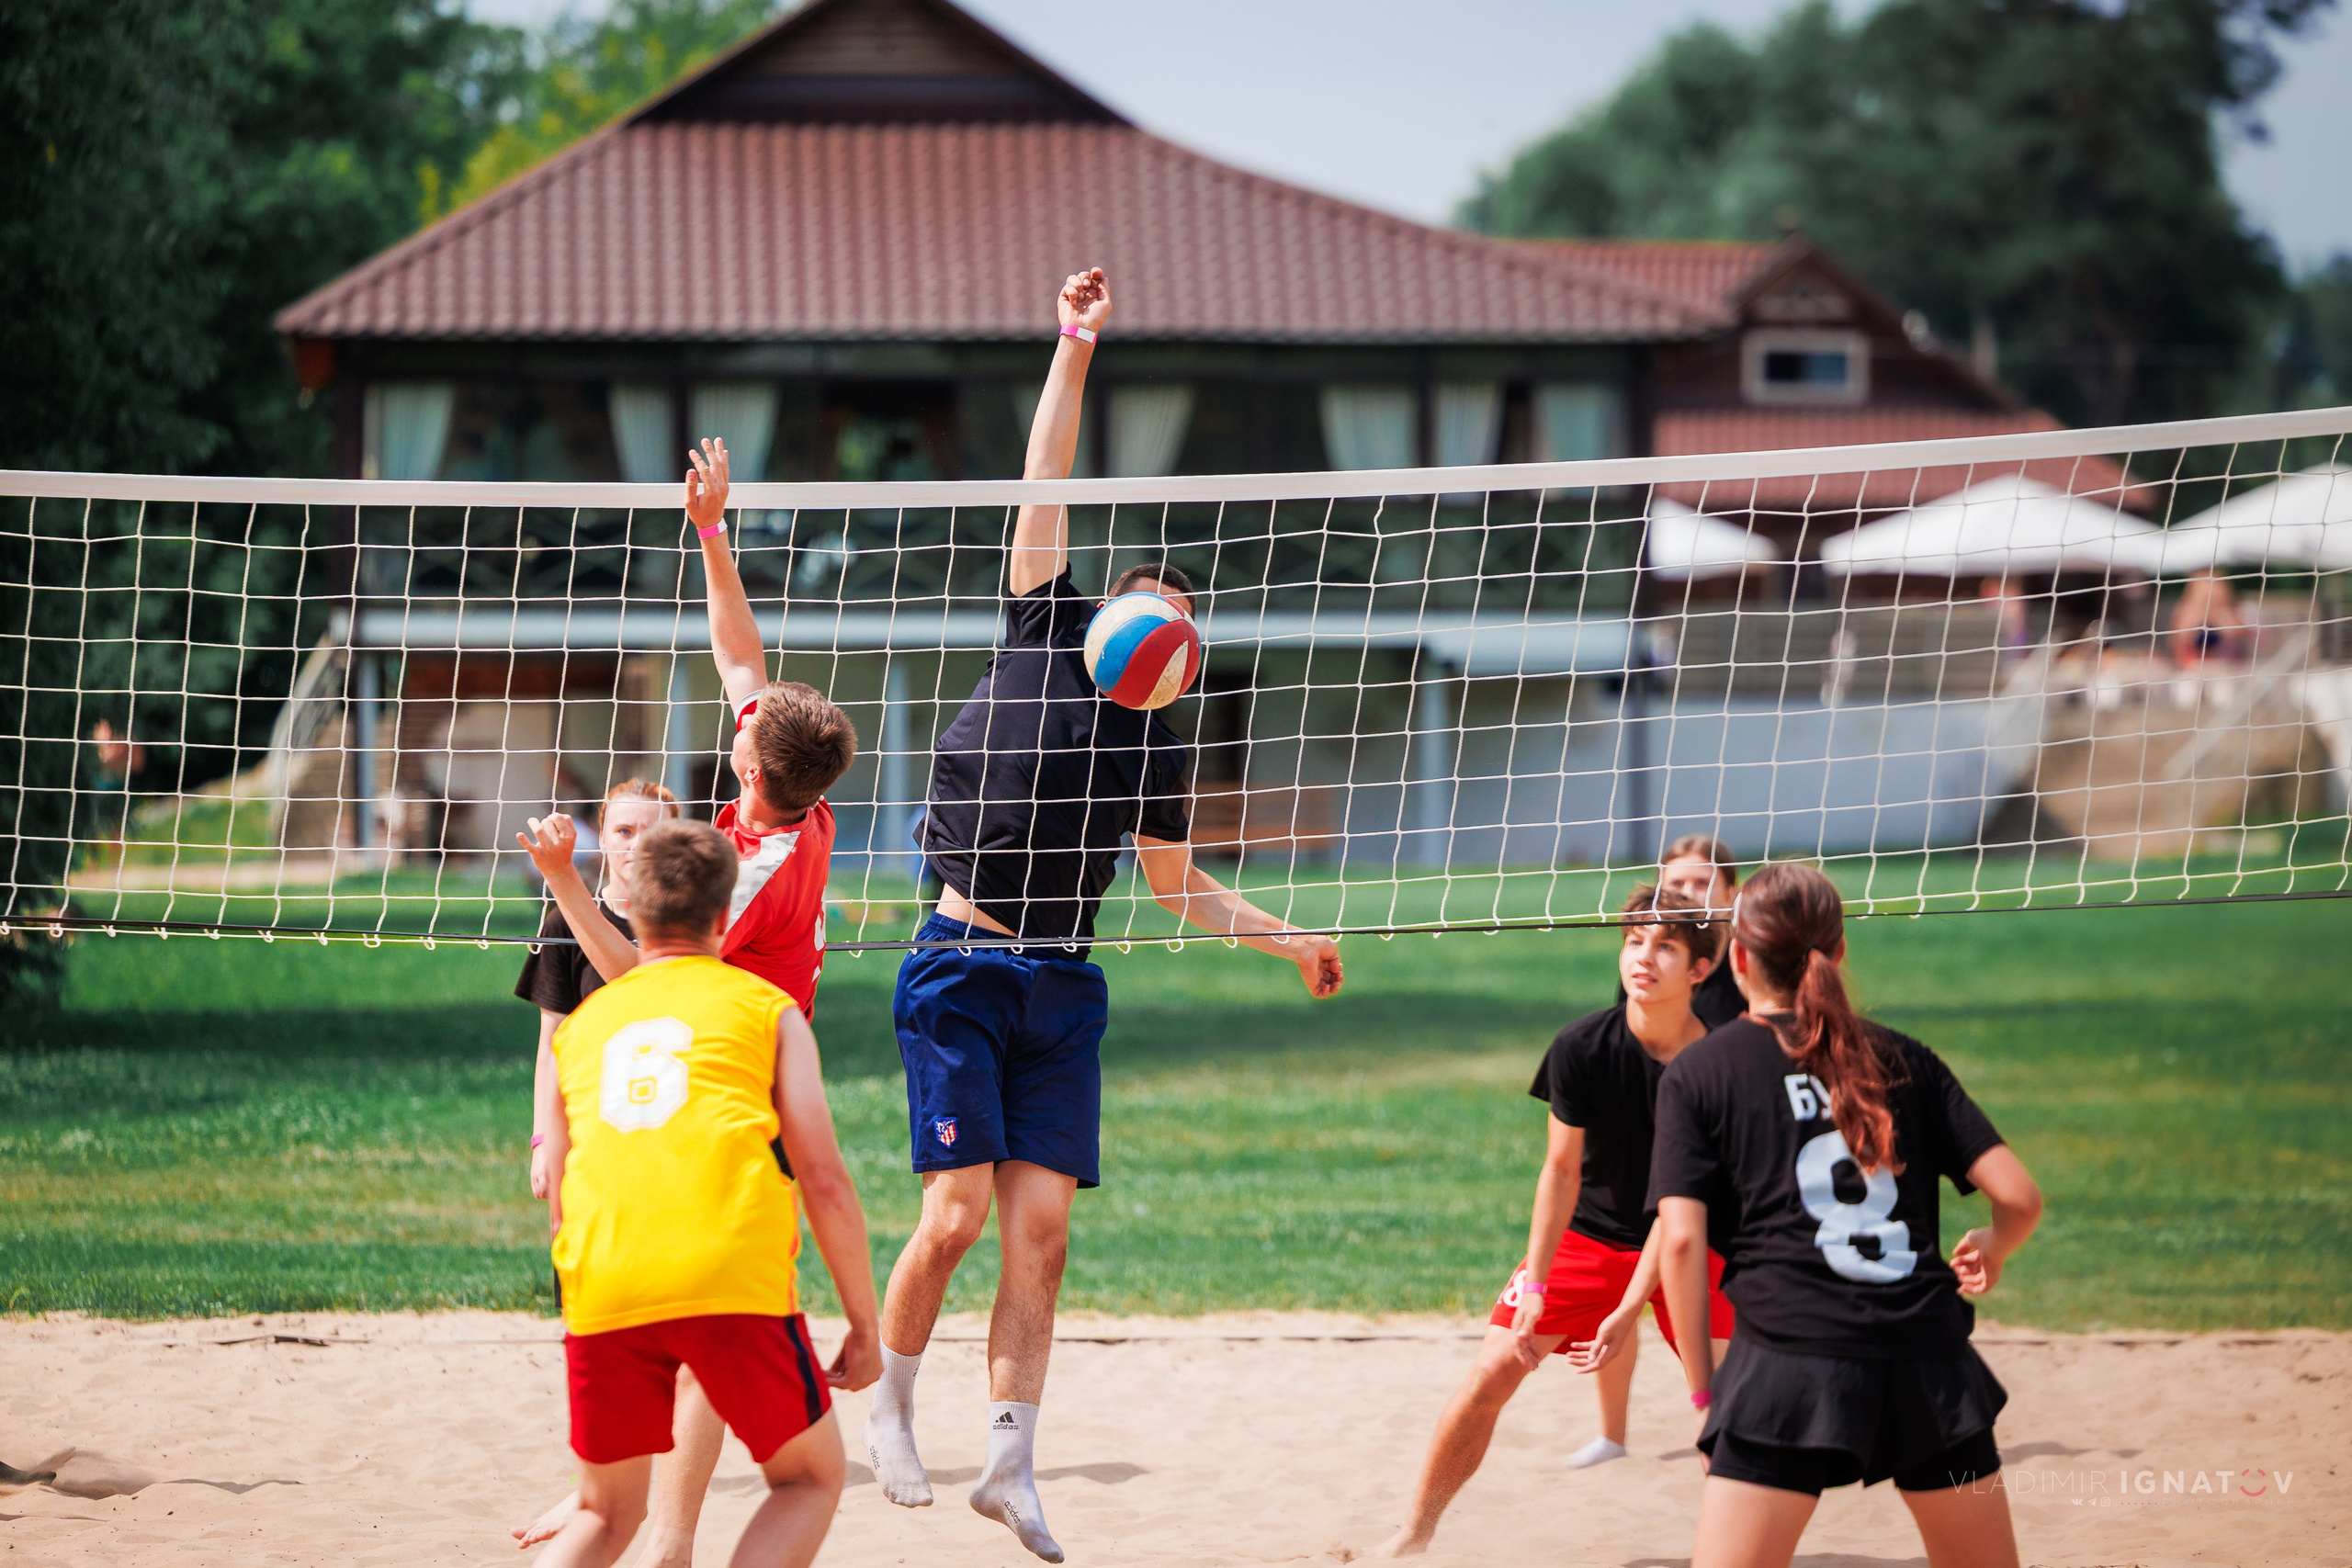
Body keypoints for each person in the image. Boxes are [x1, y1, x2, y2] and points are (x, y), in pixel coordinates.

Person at [863, 267, 1346, 1564]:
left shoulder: (1161, 742)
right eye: (1158, 610)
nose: (1170, 632)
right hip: (961, 957)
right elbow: (1046, 475)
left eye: (1186, 624)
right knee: (955, 1212)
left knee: (1045, 1230)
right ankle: (891, 1408)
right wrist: (1075, 345)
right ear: (1117, 607)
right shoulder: (1045, 626)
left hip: (1063, 984)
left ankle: (1010, 1463)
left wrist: (1290, 936)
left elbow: (1181, 888)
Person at [512, 446, 859, 1564]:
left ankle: (661, 1538)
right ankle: (654, 1532)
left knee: (721, 1342)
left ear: (750, 773)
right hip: (727, 1058)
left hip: (730, 1070)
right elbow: (739, 650)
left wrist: (567, 883)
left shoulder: (741, 872)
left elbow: (635, 981)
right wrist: (712, 529)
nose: (738, 713)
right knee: (723, 1336)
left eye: (746, 727)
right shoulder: (795, 813)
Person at [1646, 862, 2044, 1568]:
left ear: (1736, 958)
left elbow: (1680, 1242)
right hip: (1928, 1363)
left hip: (1787, 1366)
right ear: (1839, 954)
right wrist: (1996, 1242)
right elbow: (2019, 1196)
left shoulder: (1702, 1071)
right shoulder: (1905, 1057)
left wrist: (1706, 1390)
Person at [531, 818, 880, 1568]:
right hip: (730, 1278)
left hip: (604, 1279)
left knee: (601, 1513)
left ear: (632, 910)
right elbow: (822, 1178)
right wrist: (863, 1323)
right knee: (810, 1478)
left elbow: (560, 1181)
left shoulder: (582, 1028)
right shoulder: (766, 1010)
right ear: (725, 918)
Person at [1374, 886, 1736, 1559]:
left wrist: (1629, 1308)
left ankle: (1738, 1549)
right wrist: (1536, 1286)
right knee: (1491, 1370)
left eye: (1665, 946)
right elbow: (1561, 1172)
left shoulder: (1718, 1064)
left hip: (1690, 1240)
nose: (1643, 957)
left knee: (1731, 1408)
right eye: (1633, 941)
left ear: (1700, 970)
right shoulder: (1581, 1046)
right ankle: (1414, 1532)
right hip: (1590, 1238)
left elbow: (1681, 1206)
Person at [520, 778, 682, 1206]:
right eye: (624, 832)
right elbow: (552, 1043)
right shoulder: (564, 923)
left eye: (652, 834)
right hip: (588, 1123)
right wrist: (543, 1142)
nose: (637, 846)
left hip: (669, 1127)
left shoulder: (693, 931)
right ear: (603, 836)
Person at [1615, 834, 1743, 1030]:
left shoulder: (1747, 963)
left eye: (1702, 884)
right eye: (1677, 884)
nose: (1688, 894)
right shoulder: (1643, 964)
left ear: (1729, 896)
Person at [2168, 567, 2250, 665]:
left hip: (2223, 666)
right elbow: (2178, 645)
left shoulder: (2229, 616)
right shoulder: (2187, 615)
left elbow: (2238, 648)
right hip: (2195, 665)